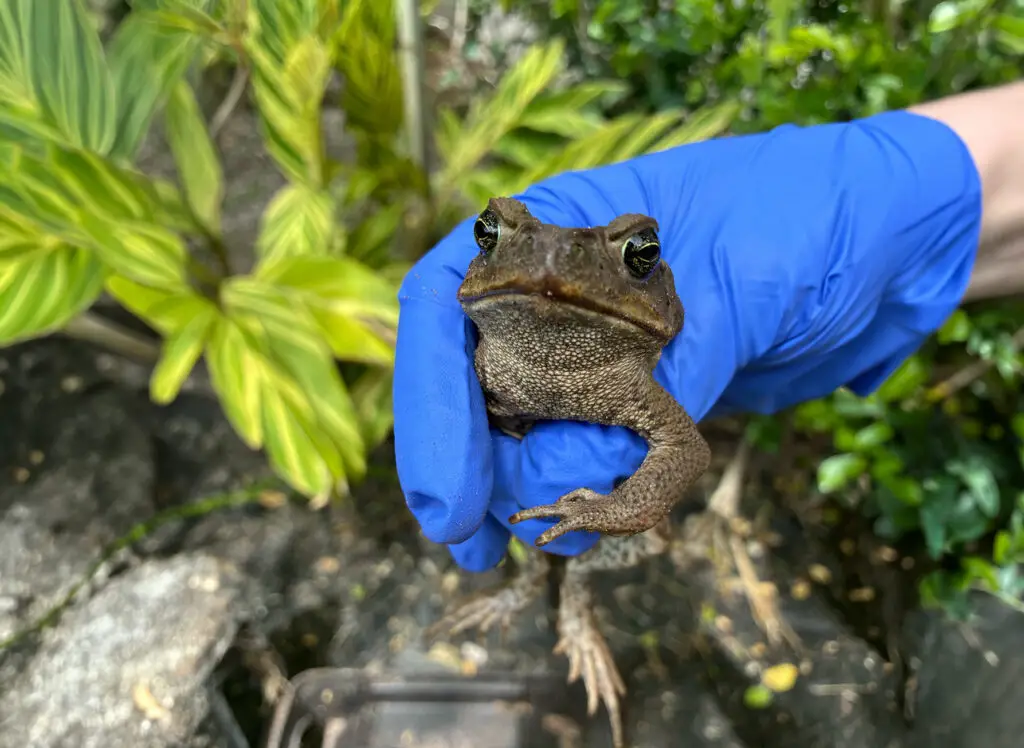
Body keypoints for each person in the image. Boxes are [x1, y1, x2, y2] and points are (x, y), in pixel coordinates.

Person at [393, 80, 1024, 573]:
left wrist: (618, 508)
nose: (556, 273)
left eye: (637, 256)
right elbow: (446, 398)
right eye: (489, 236)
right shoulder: (482, 348)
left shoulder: (624, 377)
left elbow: (682, 449)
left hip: (618, 359)